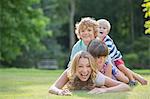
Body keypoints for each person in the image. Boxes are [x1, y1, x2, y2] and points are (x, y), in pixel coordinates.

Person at [69, 17, 129, 83]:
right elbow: (72, 63)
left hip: (106, 68)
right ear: (79, 33)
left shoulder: (99, 43)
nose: (86, 33)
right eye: (83, 31)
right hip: (89, 71)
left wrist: (107, 80)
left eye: (89, 30)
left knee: (124, 79)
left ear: (95, 32)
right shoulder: (77, 47)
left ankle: (131, 79)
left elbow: (108, 62)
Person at [49, 51, 130, 95]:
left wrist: (105, 91)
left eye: (88, 66)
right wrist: (59, 92)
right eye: (80, 66)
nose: (85, 70)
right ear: (74, 67)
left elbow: (125, 86)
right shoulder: (70, 72)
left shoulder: (97, 77)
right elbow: (53, 88)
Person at [97, 19, 148, 85]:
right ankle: (134, 78)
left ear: (107, 32)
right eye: (99, 27)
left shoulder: (107, 40)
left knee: (122, 68)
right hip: (110, 59)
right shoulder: (97, 39)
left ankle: (132, 80)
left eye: (104, 28)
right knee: (119, 72)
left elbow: (106, 52)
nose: (101, 29)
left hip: (116, 58)